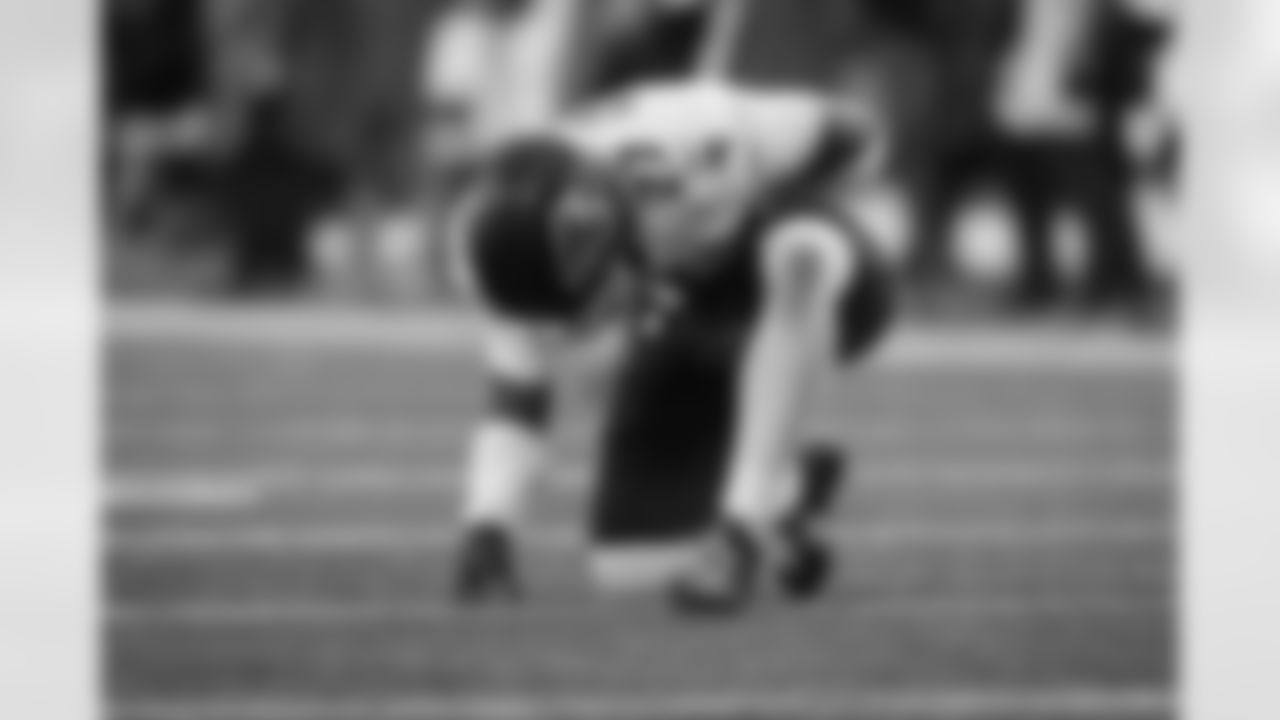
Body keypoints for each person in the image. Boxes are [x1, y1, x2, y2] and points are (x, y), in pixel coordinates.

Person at [446, 79, 895, 616]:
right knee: (630, 570)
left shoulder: (697, 138)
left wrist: (779, 192)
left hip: (820, 288)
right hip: (687, 322)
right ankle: (788, 493)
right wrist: (488, 529)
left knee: (795, 253)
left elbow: (856, 131)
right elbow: (518, 397)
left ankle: (742, 534)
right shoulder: (499, 260)